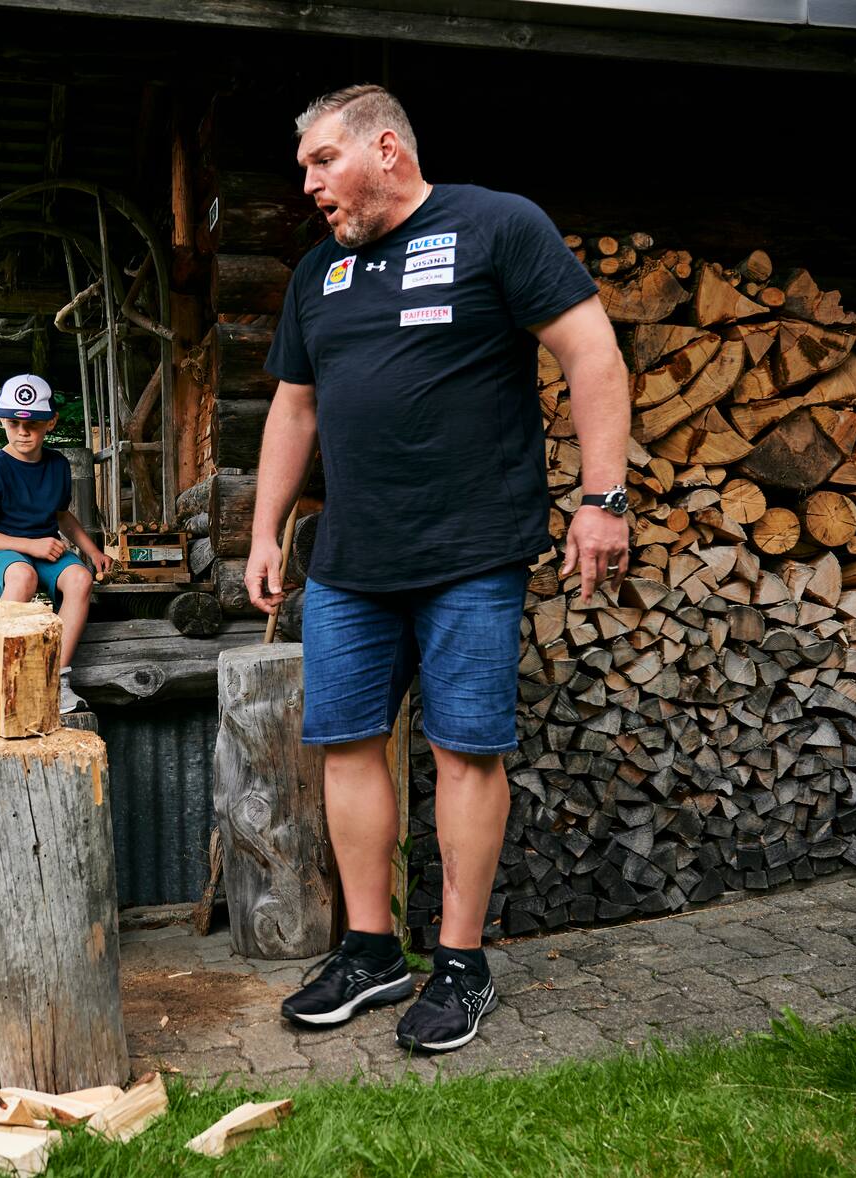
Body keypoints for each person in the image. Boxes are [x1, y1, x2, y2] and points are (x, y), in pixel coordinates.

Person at [245, 85, 630, 1053]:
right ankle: (373, 949)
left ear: (386, 149)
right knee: (345, 742)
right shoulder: (316, 274)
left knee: (466, 747)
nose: (309, 186)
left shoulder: (497, 225)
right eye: (303, 170)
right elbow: (294, 410)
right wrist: (264, 531)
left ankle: (461, 960)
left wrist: (603, 496)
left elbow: (592, 351)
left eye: (322, 162)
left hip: (470, 549)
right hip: (350, 560)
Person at [0, 373, 111, 717]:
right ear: (3, 420)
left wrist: (92, 552)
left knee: (80, 580)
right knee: (23, 578)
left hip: (43, 548)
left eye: (33, 423)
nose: (23, 432)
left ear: (51, 422)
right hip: (0, 551)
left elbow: (63, 516)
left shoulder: (58, 466)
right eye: (14, 422)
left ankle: (52, 680)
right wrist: (30, 546)